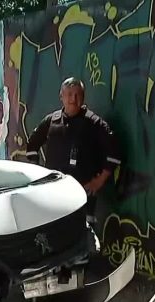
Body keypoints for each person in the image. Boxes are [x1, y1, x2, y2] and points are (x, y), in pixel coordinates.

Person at [25, 77, 121, 223]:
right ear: (61, 96)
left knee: (82, 237)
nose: (73, 99)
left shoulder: (94, 123)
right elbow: (32, 146)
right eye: (69, 94)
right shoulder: (51, 121)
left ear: (83, 97)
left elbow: (114, 154)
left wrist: (99, 181)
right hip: (54, 194)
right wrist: (38, 174)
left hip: (83, 197)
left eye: (78, 95)